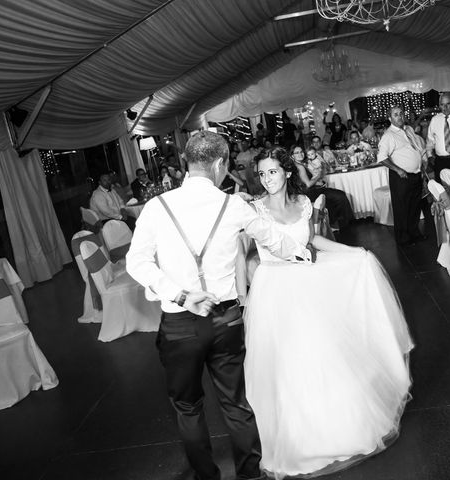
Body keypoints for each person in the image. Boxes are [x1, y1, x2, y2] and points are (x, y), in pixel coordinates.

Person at [126, 131, 312, 480]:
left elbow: (137, 263)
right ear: (220, 163)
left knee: (188, 408)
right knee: (236, 404)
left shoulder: (156, 207)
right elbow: (276, 241)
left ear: (186, 162)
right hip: (226, 320)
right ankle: (250, 475)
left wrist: (181, 294)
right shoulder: (235, 206)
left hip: (180, 324)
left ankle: (207, 477)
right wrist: (305, 254)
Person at [244, 147, 413, 479]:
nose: (268, 179)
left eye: (273, 172)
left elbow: (315, 242)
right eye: (262, 174)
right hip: (276, 293)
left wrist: (356, 253)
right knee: (288, 363)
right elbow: (248, 256)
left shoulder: (302, 204)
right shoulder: (253, 210)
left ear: (287, 172)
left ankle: (340, 428)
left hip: (308, 286)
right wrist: (248, 294)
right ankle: (300, 439)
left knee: (324, 353)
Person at [377, 106, 427, 246]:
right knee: (402, 209)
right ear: (390, 118)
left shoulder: (408, 129)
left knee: (414, 207)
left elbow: (415, 147)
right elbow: (381, 157)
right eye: (395, 114)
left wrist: (421, 164)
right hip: (401, 177)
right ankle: (403, 239)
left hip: (415, 175)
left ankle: (414, 233)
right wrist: (397, 170)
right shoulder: (389, 135)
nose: (399, 117)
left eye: (401, 114)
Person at [292, 145, 354, 230]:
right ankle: (344, 225)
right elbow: (308, 184)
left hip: (311, 191)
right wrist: (319, 175)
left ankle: (334, 224)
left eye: (301, 152)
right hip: (309, 193)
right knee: (340, 196)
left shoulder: (299, 164)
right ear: (292, 156)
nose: (300, 154)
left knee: (335, 196)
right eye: (297, 153)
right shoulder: (300, 167)